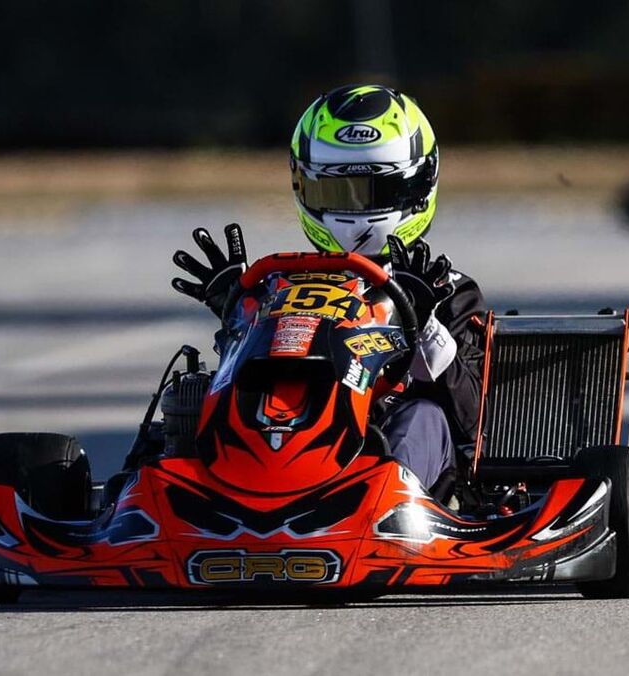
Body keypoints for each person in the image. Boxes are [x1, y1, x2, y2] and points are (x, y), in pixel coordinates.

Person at [170, 84, 486, 493]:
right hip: (295, 452)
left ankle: (382, 505)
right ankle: (188, 492)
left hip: (385, 466)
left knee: (424, 415)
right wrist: (239, 311)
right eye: (335, 192)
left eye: (376, 191)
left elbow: (473, 422)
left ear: (417, 184)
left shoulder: (448, 292)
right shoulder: (280, 285)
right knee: (198, 399)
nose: (355, 211)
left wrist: (423, 324)